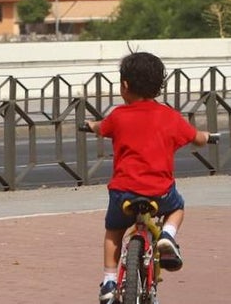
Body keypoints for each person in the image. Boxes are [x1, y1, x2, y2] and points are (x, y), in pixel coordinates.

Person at [86, 51, 215, 303]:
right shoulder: (169, 116)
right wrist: (207, 136)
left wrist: (91, 125)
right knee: (178, 207)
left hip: (122, 193)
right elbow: (197, 138)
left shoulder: (118, 116)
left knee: (114, 232)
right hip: (161, 192)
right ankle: (167, 236)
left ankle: (110, 282)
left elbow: (102, 127)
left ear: (125, 85)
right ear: (158, 86)